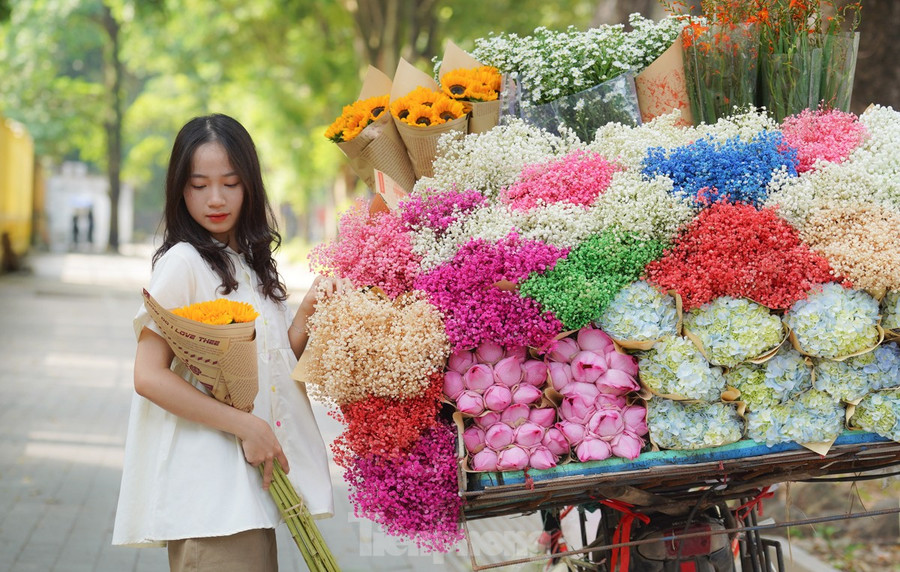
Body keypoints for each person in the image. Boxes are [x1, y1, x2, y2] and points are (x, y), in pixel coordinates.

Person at [112, 113, 343, 571]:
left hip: (246, 491)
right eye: (199, 185)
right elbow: (147, 376)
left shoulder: (249, 262)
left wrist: (312, 305)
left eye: (230, 183)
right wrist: (247, 427)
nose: (215, 199)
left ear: (250, 186)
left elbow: (272, 363)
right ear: (180, 189)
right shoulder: (183, 263)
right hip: (210, 498)